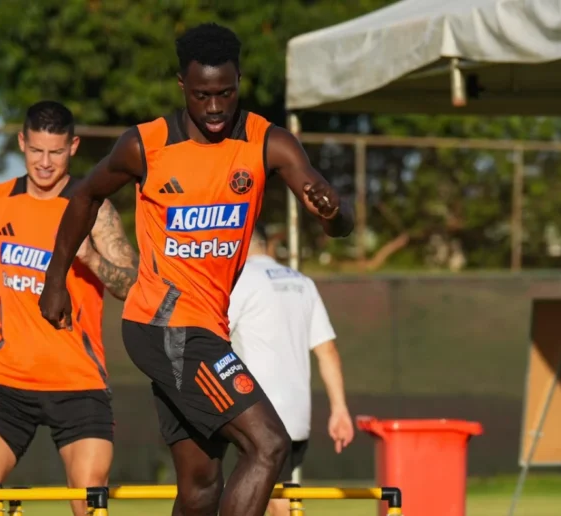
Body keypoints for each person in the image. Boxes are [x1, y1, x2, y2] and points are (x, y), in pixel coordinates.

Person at [38, 22, 355, 516]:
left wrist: (334, 212)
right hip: (165, 325)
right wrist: (54, 279)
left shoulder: (268, 142)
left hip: (209, 327)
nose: (214, 108)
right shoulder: (147, 145)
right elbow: (84, 196)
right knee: (269, 445)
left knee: (202, 485)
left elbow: (337, 222)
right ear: (182, 86)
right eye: (202, 94)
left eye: (225, 94)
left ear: (239, 83)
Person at [0, 100, 139, 516]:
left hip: (78, 380)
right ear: (22, 142)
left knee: (90, 503)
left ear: (73, 147)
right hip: (9, 378)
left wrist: (92, 260)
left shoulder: (92, 206)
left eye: (56, 152)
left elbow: (131, 285)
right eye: (36, 151)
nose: (45, 163)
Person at [227, 223, 354, 516]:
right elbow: (327, 350)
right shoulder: (302, 282)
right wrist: (339, 410)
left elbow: (214, 339)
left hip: (257, 415)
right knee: (277, 494)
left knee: (272, 500)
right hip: (297, 414)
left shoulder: (240, 280)